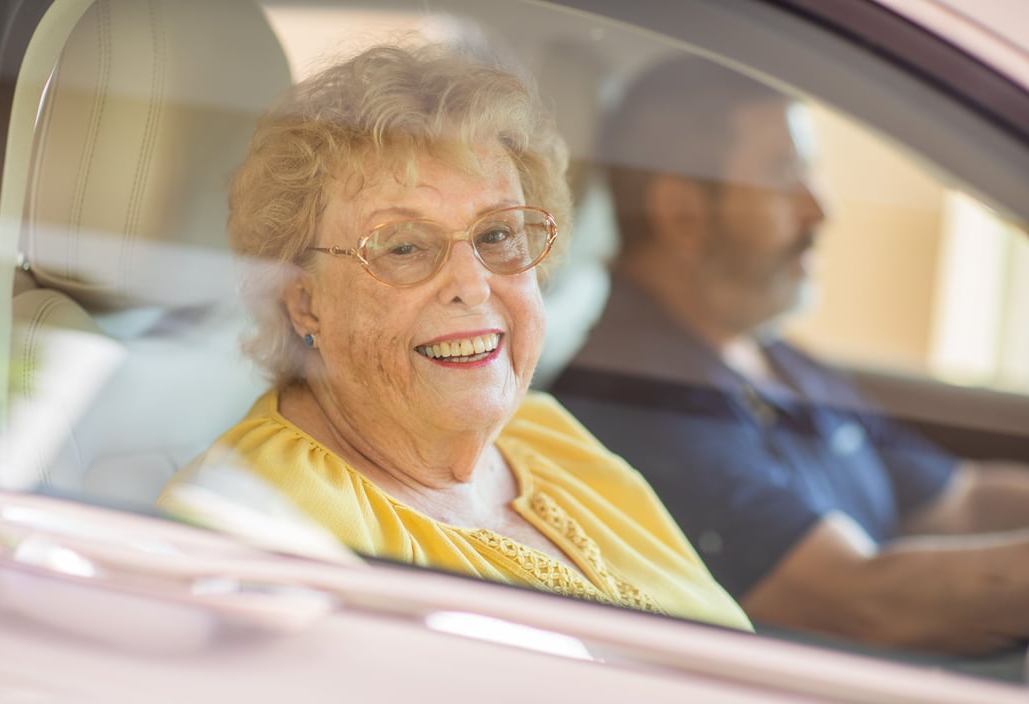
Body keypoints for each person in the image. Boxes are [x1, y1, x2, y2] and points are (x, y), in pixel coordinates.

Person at [157, 44, 750, 632]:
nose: (472, 284)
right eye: (404, 247)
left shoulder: (546, 435)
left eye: (497, 234)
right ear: (305, 301)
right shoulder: (271, 522)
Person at [551, 54, 1029, 659]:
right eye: (784, 176)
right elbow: (861, 604)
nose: (819, 210)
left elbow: (962, 501)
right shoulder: (641, 406)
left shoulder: (769, 356)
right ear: (682, 211)